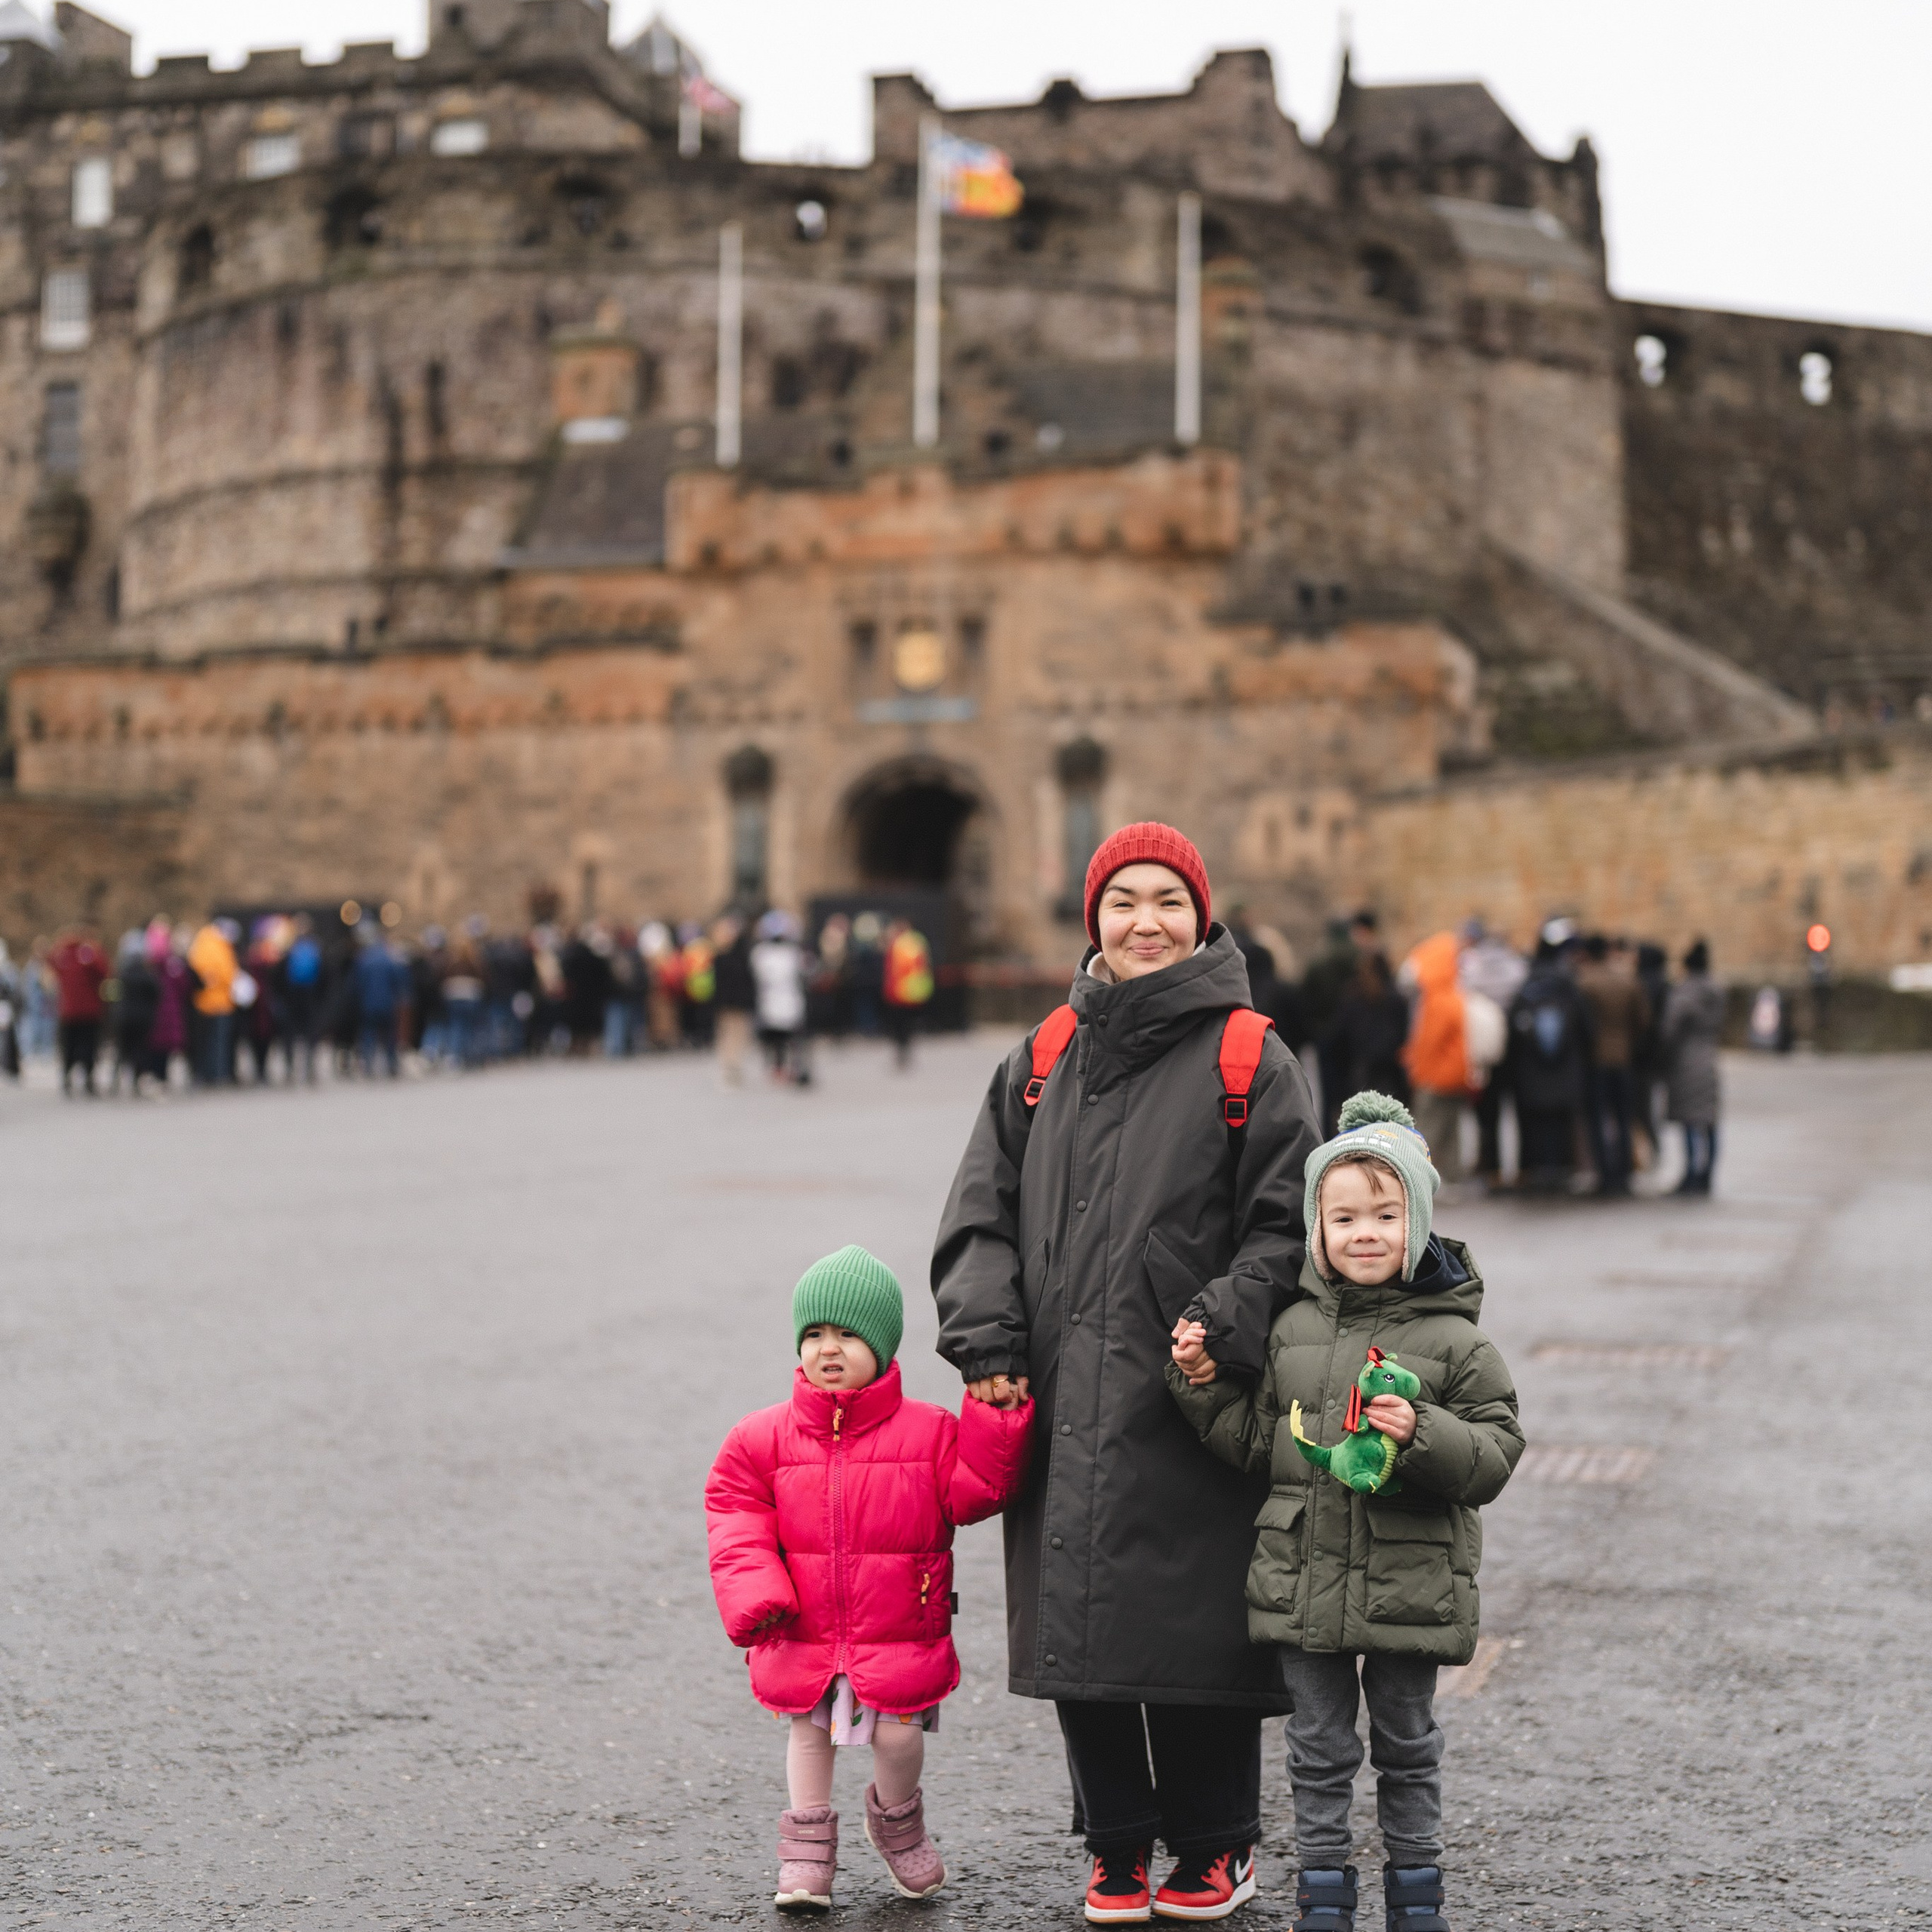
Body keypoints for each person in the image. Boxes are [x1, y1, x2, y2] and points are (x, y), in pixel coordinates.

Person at [932, 823, 1320, 1924]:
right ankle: (1114, 1842)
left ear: (1202, 917)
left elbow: (1290, 1227)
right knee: (1082, 1622)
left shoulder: (1253, 1055)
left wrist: (1225, 1320)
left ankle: (1213, 1841)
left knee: (1194, 1616)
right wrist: (992, 1343)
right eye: (1122, 900)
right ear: (1093, 914)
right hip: (1057, 1384)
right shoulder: (1044, 1055)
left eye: (1166, 900)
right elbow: (978, 1217)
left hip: (1196, 1386)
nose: (1143, 921)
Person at [1168, 1092, 1524, 1932]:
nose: (1364, 1233)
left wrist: (1423, 1432)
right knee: (1317, 1752)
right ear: (1316, 1228)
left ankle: (1415, 1894)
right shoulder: (1290, 1328)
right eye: (1343, 1217)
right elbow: (1259, 1444)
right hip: (1306, 1581)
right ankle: (1322, 1896)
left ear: (1419, 1223)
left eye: (1386, 1214)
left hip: (1411, 1581)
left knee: (1407, 1746)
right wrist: (1199, 1384)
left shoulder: (1455, 1340)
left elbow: (1496, 1453)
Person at [706, 1246, 1033, 1913]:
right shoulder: (760, 1437)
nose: (829, 1349)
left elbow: (976, 1493)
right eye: (814, 1335)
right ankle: (805, 1850)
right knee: (806, 1731)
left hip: (898, 1624)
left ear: (882, 1347)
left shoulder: (930, 1432)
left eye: (849, 1335)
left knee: (898, 1735)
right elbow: (735, 1514)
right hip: (803, 1624)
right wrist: (756, 1594)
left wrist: (996, 1420)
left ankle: (897, 1821)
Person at [1504, 927, 1592, 1193]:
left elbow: (1512, 1033)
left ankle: (1537, 1170)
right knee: (1561, 1124)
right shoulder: (1569, 986)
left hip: (1532, 1073)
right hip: (1565, 1072)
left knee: (1535, 1125)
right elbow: (1586, 1031)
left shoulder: (1528, 985)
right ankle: (1562, 1170)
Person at [1571, 936, 1650, 1195]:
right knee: (1624, 1116)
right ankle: (1624, 1172)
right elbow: (1642, 1019)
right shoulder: (1627, 980)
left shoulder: (1584, 982)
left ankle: (1604, 1173)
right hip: (1624, 1058)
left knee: (1597, 1118)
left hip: (1595, 1060)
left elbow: (1580, 1024)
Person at [1398, 930, 1470, 1184]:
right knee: (1452, 1131)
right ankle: (1453, 1177)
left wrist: (1414, 1068)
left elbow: (1429, 1043)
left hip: (1435, 1075)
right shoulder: (1453, 996)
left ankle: (1419, 1180)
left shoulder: (1436, 1001)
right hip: (1455, 1074)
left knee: (1428, 1131)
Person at [1456, 921, 1524, 1188]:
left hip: (1484, 1050)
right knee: (1518, 1112)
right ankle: (1519, 1168)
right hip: (1515, 1050)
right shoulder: (1516, 968)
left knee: (1487, 1113)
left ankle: (1491, 1167)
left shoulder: (1472, 971)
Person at [1663, 939, 1724, 1195]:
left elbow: (1670, 1028)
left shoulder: (1684, 993)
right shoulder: (1718, 992)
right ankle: (1707, 1174)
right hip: (1709, 1059)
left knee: (1690, 1121)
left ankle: (1691, 1173)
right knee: (1709, 1121)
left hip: (1686, 1062)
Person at [751, 910, 811, 1085]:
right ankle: (782, 1067)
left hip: (785, 1000)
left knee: (787, 1038)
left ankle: (789, 1067)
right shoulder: (765, 953)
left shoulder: (786, 953)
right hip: (777, 1001)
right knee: (779, 1038)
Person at [48, 925, 109, 1097]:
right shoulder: (89, 953)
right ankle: (86, 1079)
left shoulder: (64, 954)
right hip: (89, 1012)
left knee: (70, 1047)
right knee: (88, 1047)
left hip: (69, 1012)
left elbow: (51, 962)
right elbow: (104, 972)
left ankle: (69, 1078)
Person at [187, 916, 240, 1087]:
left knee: (207, 1043)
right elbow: (226, 974)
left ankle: (206, 1074)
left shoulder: (201, 944)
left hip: (203, 1002)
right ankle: (217, 1075)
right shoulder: (218, 946)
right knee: (217, 1043)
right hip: (219, 1002)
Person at [108, 929, 160, 1096]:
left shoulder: (121, 974)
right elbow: (157, 993)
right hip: (143, 1018)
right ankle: (136, 1082)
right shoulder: (147, 974)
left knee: (122, 1051)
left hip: (124, 1017)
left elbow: (112, 995)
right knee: (140, 1051)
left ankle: (115, 1081)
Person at [881, 919, 934, 1069]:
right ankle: (906, 1049)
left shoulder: (897, 943)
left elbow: (891, 970)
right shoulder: (918, 940)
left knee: (899, 1025)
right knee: (909, 1024)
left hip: (899, 990)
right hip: (916, 989)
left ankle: (902, 1050)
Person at [353, 924, 405, 1077]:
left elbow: (358, 984)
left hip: (368, 1004)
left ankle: (368, 1066)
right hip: (388, 1003)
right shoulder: (389, 958)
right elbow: (398, 982)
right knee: (390, 1035)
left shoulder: (364, 959)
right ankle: (392, 1066)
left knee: (369, 1034)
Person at [712, 915, 756, 1084]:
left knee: (740, 1034)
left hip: (739, 1002)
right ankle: (729, 1066)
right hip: (726, 1003)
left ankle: (735, 1064)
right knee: (727, 1034)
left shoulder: (742, 953)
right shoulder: (720, 956)